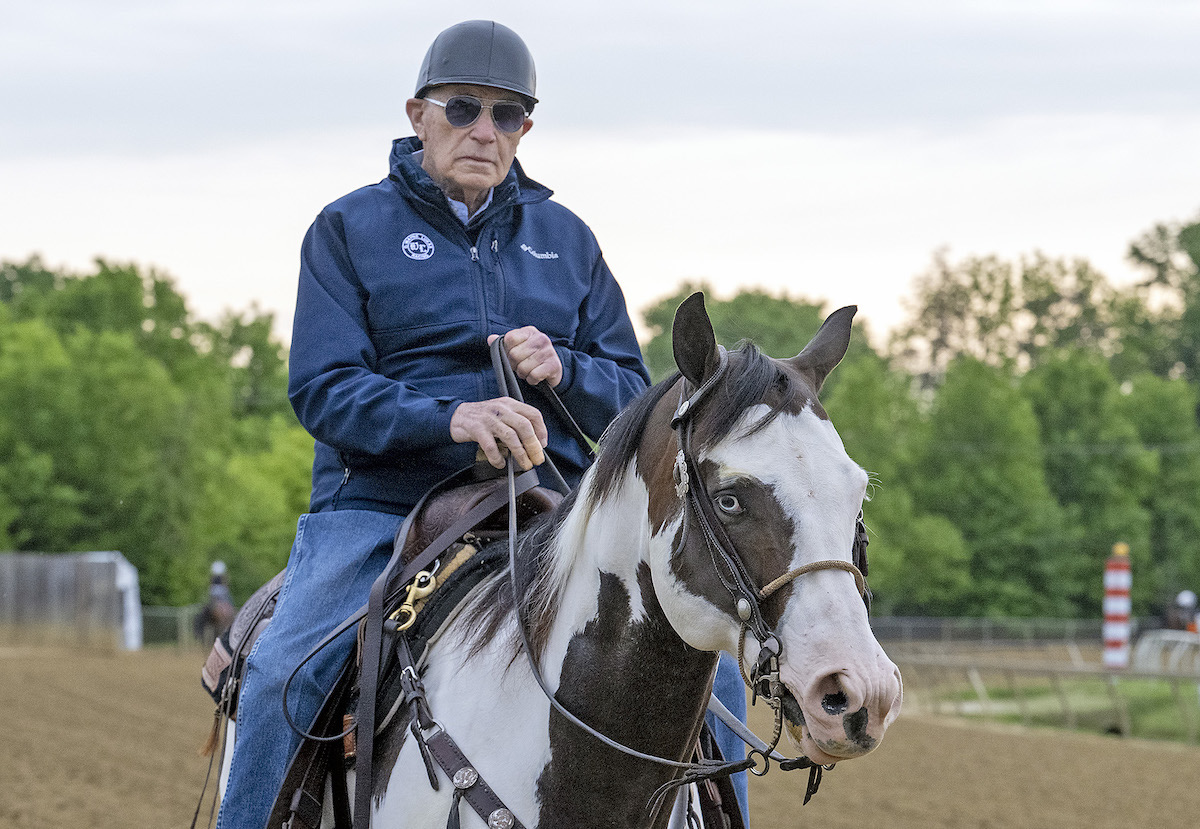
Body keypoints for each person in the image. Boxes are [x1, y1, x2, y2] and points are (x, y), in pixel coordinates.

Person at [215, 20, 747, 828]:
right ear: (417, 114)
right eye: (462, 108)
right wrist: (452, 418)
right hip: (383, 509)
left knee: (713, 654)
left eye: (508, 115)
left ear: (526, 129)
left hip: (555, 508)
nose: (484, 131)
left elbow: (641, 400)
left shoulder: (568, 242)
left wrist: (565, 368)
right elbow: (323, 389)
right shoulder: (347, 229)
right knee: (285, 668)